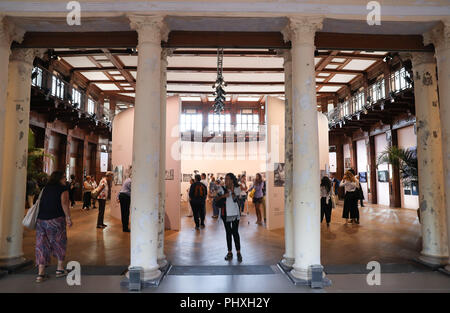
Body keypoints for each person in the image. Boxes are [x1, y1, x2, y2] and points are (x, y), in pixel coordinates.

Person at [35, 171, 72, 283]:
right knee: (59, 241)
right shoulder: (62, 188)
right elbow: (64, 203)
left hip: (41, 220)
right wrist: (68, 218)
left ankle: (40, 274)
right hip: (56, 219)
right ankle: (60, 269)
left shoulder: (46, 188)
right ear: (59, 178)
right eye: (64, 177)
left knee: (41, 244)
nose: (65, 179)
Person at [215, 173, 243, 262]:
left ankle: (238, 252)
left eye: (227, 179)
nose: (226, 180)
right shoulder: (222, 188)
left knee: (235, 232)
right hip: (225, 213)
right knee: (228, 233)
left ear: (232, 179)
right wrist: (223, 196)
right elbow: (216, 200)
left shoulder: (237, 188)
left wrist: (232, 191)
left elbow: (237, 200)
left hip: (234, 214)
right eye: (225, 178)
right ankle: (229, 252)